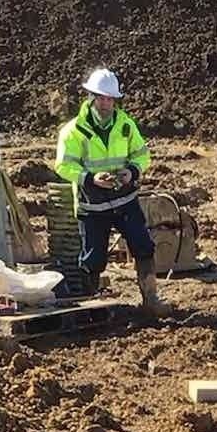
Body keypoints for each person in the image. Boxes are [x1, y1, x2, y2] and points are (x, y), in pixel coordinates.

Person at [54, 67, 157, 305]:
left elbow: (142, 155)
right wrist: (90, 178)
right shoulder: (74, 131)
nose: (105, 104)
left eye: (110, 99)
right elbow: (63, 165)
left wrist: (132, 171)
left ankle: (151, 300)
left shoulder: (125, 125)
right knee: (93, 259)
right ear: (91, 97)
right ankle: (91, 305)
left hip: (125, 200)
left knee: (143, 246)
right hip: (93, 205)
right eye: (101, 98)